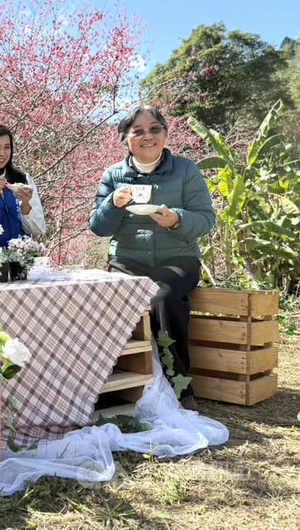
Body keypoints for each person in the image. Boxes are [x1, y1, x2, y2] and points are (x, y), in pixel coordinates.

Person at [89, 104, 215, 411]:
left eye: (155, 129)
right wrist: (112, 205)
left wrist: (176, 219)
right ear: (125, 139)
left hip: (177, 259)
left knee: (163, 297)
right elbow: (98, 227)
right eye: (138, 131)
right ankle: (109, 386)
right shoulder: (114, 175)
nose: (148, 136)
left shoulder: (186, 170)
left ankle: (179, 385)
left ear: (165, 134)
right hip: (127, 260)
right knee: (105, 298)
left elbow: (206, 219)